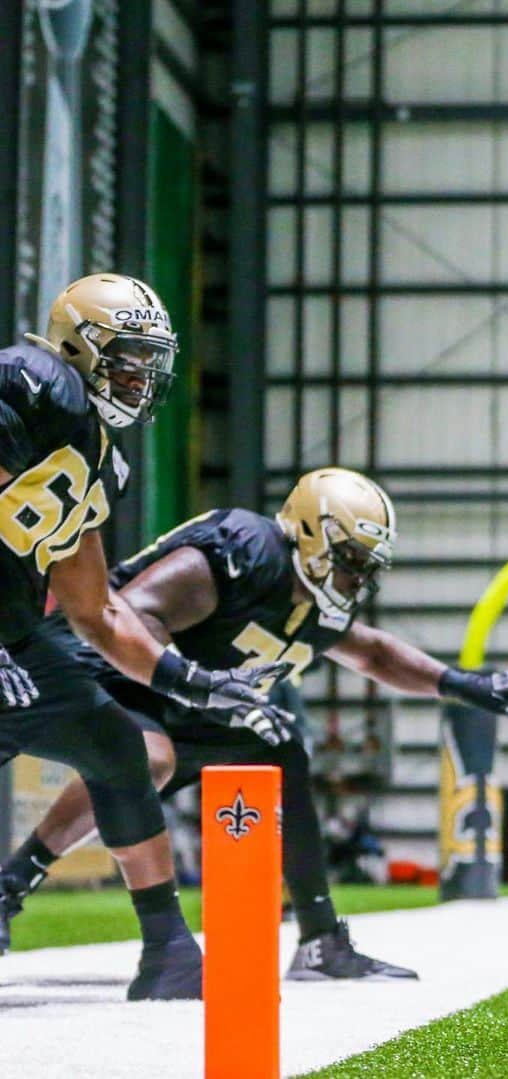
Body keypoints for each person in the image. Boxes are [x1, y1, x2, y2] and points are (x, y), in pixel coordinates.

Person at [0, 466, 508, 981]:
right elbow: (134, 615)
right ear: (309, 536)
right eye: (349, 559)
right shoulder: (247, 553)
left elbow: (372, 653)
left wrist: (460, 685)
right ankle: (12, 886)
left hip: (192, 699)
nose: (355, 578)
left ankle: (321, 941)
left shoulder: (313, 598)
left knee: (280, 742)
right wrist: (195, 685)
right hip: (112, 674)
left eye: (365, 566)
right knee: (149, 757)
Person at [0, 274, 282, 1000]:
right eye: (127, 356)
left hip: (17, 634)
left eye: (149, 360)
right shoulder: (34, 380)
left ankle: (168, 951)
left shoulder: (98, 455)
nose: (140, 376)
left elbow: (98, 611)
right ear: (78, 345)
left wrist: (192, 680)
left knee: (119, 744)